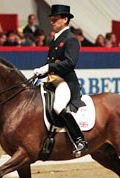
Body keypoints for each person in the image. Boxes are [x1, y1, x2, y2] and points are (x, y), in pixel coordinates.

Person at [33, 4, 88, 156]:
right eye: (51, 19)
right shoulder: (56, 39)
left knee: (58, 107)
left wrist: (48, 68)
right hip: (52, 80)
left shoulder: (71, 39)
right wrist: (41, 72)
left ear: (65, 20)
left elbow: (70, 63)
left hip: (65, 82)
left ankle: (79, 140)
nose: (52, 22)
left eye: (55, 19)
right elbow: (53, 61)